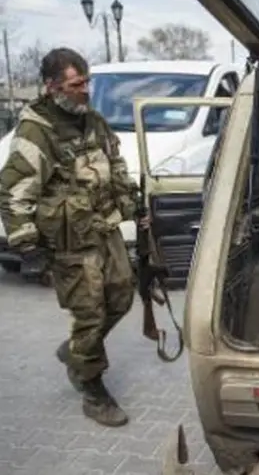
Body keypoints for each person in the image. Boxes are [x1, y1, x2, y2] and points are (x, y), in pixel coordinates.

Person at [0, 47, 144, 427]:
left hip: (103, 228)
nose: (86, 90)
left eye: (87, 82)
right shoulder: (37, 131)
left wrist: (129, 196)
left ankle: (78, 351)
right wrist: (27, 245)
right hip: (68, 242)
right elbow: (14, 191)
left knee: (123, 296)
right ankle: (92, 388)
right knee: (90, 313)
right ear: (52, 87)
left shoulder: (92, 120)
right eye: (77, 84)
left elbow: (115, 161)